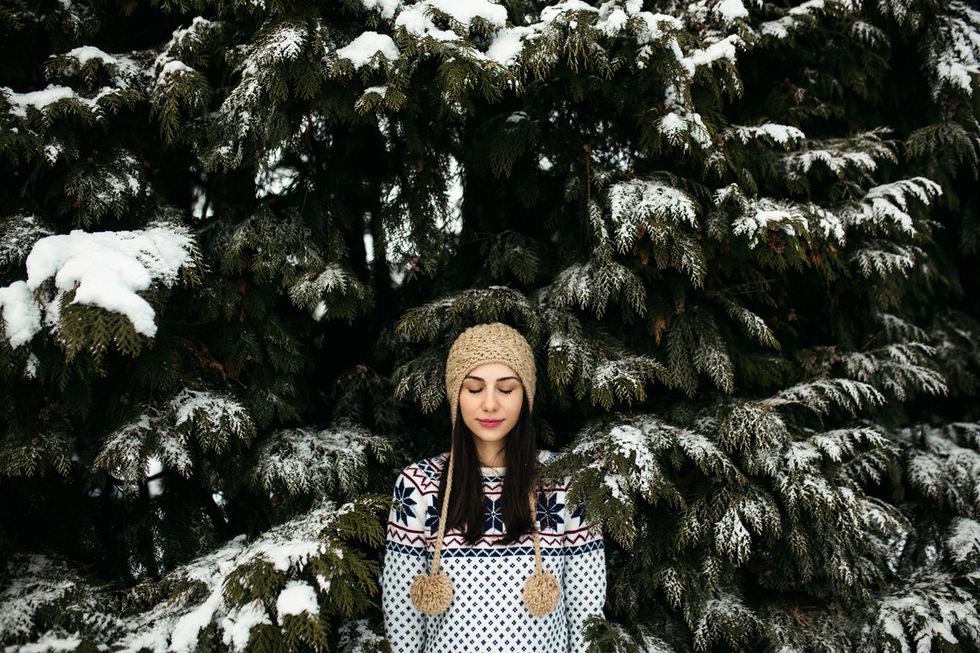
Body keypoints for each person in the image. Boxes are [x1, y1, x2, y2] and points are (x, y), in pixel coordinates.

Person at [380, 322, 606, 653]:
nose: (489, 404)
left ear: (525, 395)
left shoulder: (564, 482)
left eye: (506, 389)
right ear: (455, 394)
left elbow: (586, 614)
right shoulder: (419, 485)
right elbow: (402, 617)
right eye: (473, 389)